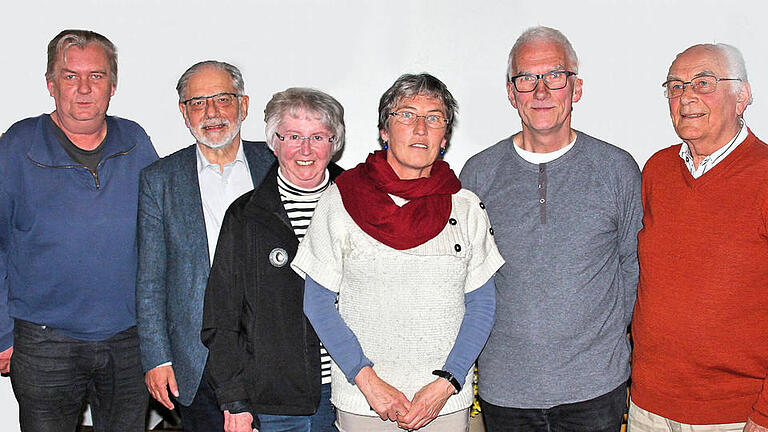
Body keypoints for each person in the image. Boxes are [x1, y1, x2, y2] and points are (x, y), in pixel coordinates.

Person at [292, 73, 503, 432]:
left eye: (434, 118)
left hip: (445, 402)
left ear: (445, 136)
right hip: (364, 402)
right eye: (406, 114)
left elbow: (482, 306)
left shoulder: (466, 208)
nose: (420, 128)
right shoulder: (340, 201)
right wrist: (369, 382)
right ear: (384, 130)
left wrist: (446, 383)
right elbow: (318, 303)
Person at [460, 26, 642, 431]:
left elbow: (633, 268)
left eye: (555, 76)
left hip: (596, 388)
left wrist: (603, 342)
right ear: (512, 93)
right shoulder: (478, 174)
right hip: (505, 390)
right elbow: (467, 277)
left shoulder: (617, 170)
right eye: (526, 78)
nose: (541, 91)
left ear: (575, 88)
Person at [0, 29, 158, 431]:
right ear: (51, 85)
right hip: (44, 342)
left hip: (129, 338)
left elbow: (161, 236)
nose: (84, 89)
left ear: (113, 85)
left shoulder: (135, 140)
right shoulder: (17, 146)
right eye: (70, 76)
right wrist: (2, 332)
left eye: (97, 76)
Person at [630, 43, 768, 432]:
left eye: (703, 83)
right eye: (675, 86)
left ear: (742, 96)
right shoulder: (656, 170)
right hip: (648, 406)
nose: (686, 96)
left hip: (734, 415)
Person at [136, 60, 275, 432]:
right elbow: (150, 280)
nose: (211, 113)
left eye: (222, 99)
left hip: (276, 353)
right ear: (184, 113)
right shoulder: (159, 180)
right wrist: (157, 358)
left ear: (243, 106)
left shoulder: (279, 165)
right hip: (197, 359)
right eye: (197, 103)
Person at [201, 87, 346, 432]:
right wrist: (234, 400)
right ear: (274, 141)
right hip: (274, 403)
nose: (306, 150)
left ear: (334, 142)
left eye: (318, 137)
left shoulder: (360, 204)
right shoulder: (246, 216)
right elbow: (221, 318)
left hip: (355, 394)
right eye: (293, 136)